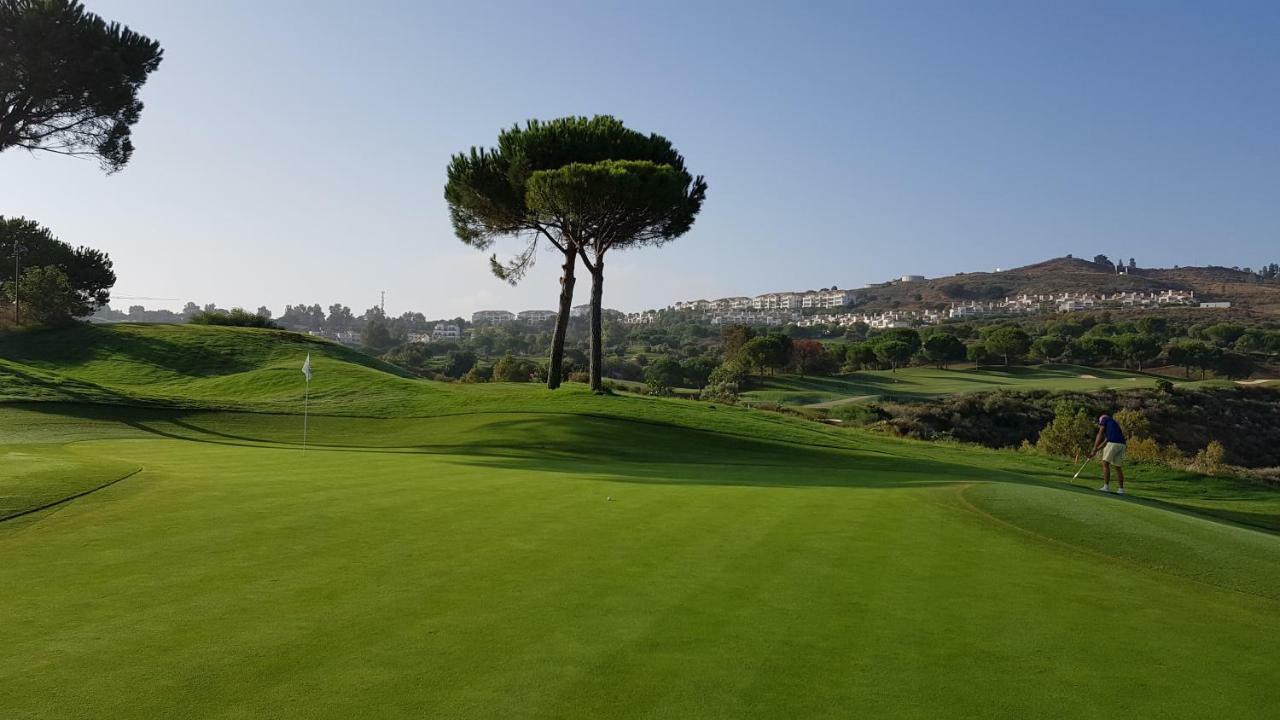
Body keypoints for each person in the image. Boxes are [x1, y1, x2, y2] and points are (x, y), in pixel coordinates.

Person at [1092, 414, 1127, 494]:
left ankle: (1106, 487)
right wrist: (1096, 449)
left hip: (1113, 443)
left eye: (1099, 422)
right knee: (1117, 467)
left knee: (1105, 463)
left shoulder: (1104, 419)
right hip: (1122, 445)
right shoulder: (1113, 423)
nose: (1100, 424)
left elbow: (1100, 434)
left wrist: (1094, 447)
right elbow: (1105, 442)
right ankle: (1121, 490)